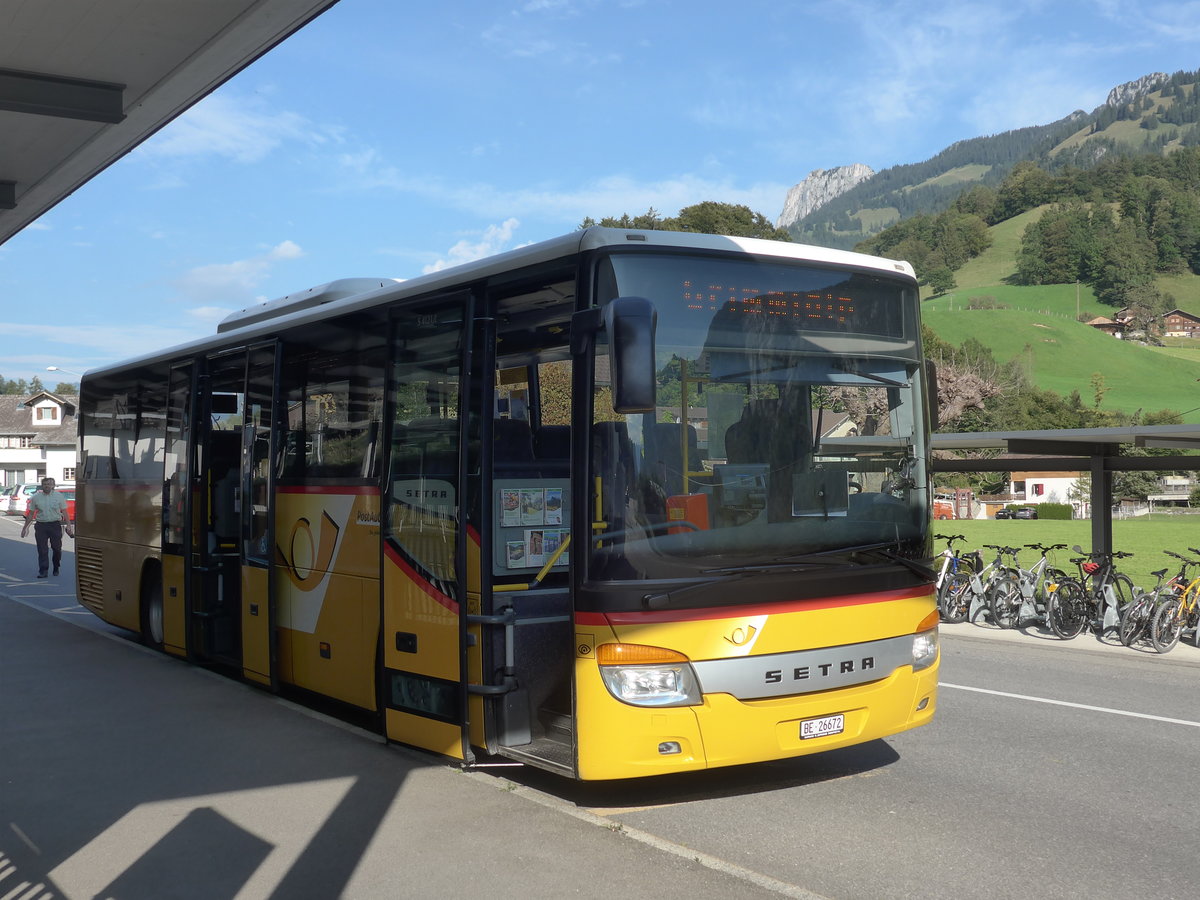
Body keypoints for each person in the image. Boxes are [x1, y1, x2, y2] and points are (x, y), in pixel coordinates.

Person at [21, 477, 74, 578]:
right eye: (45, 484)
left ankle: (56, 566)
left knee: (57, 549)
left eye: (49, 484)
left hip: (55, 525)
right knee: (42, 549)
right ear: (42, 485)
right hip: (41, 526)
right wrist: (25, 528)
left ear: (53, 486)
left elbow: (65, 512)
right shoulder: (36, 497)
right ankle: (43, 571)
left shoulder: (59, 496)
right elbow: (31, 514)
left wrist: (68, 526)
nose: (47, 486)